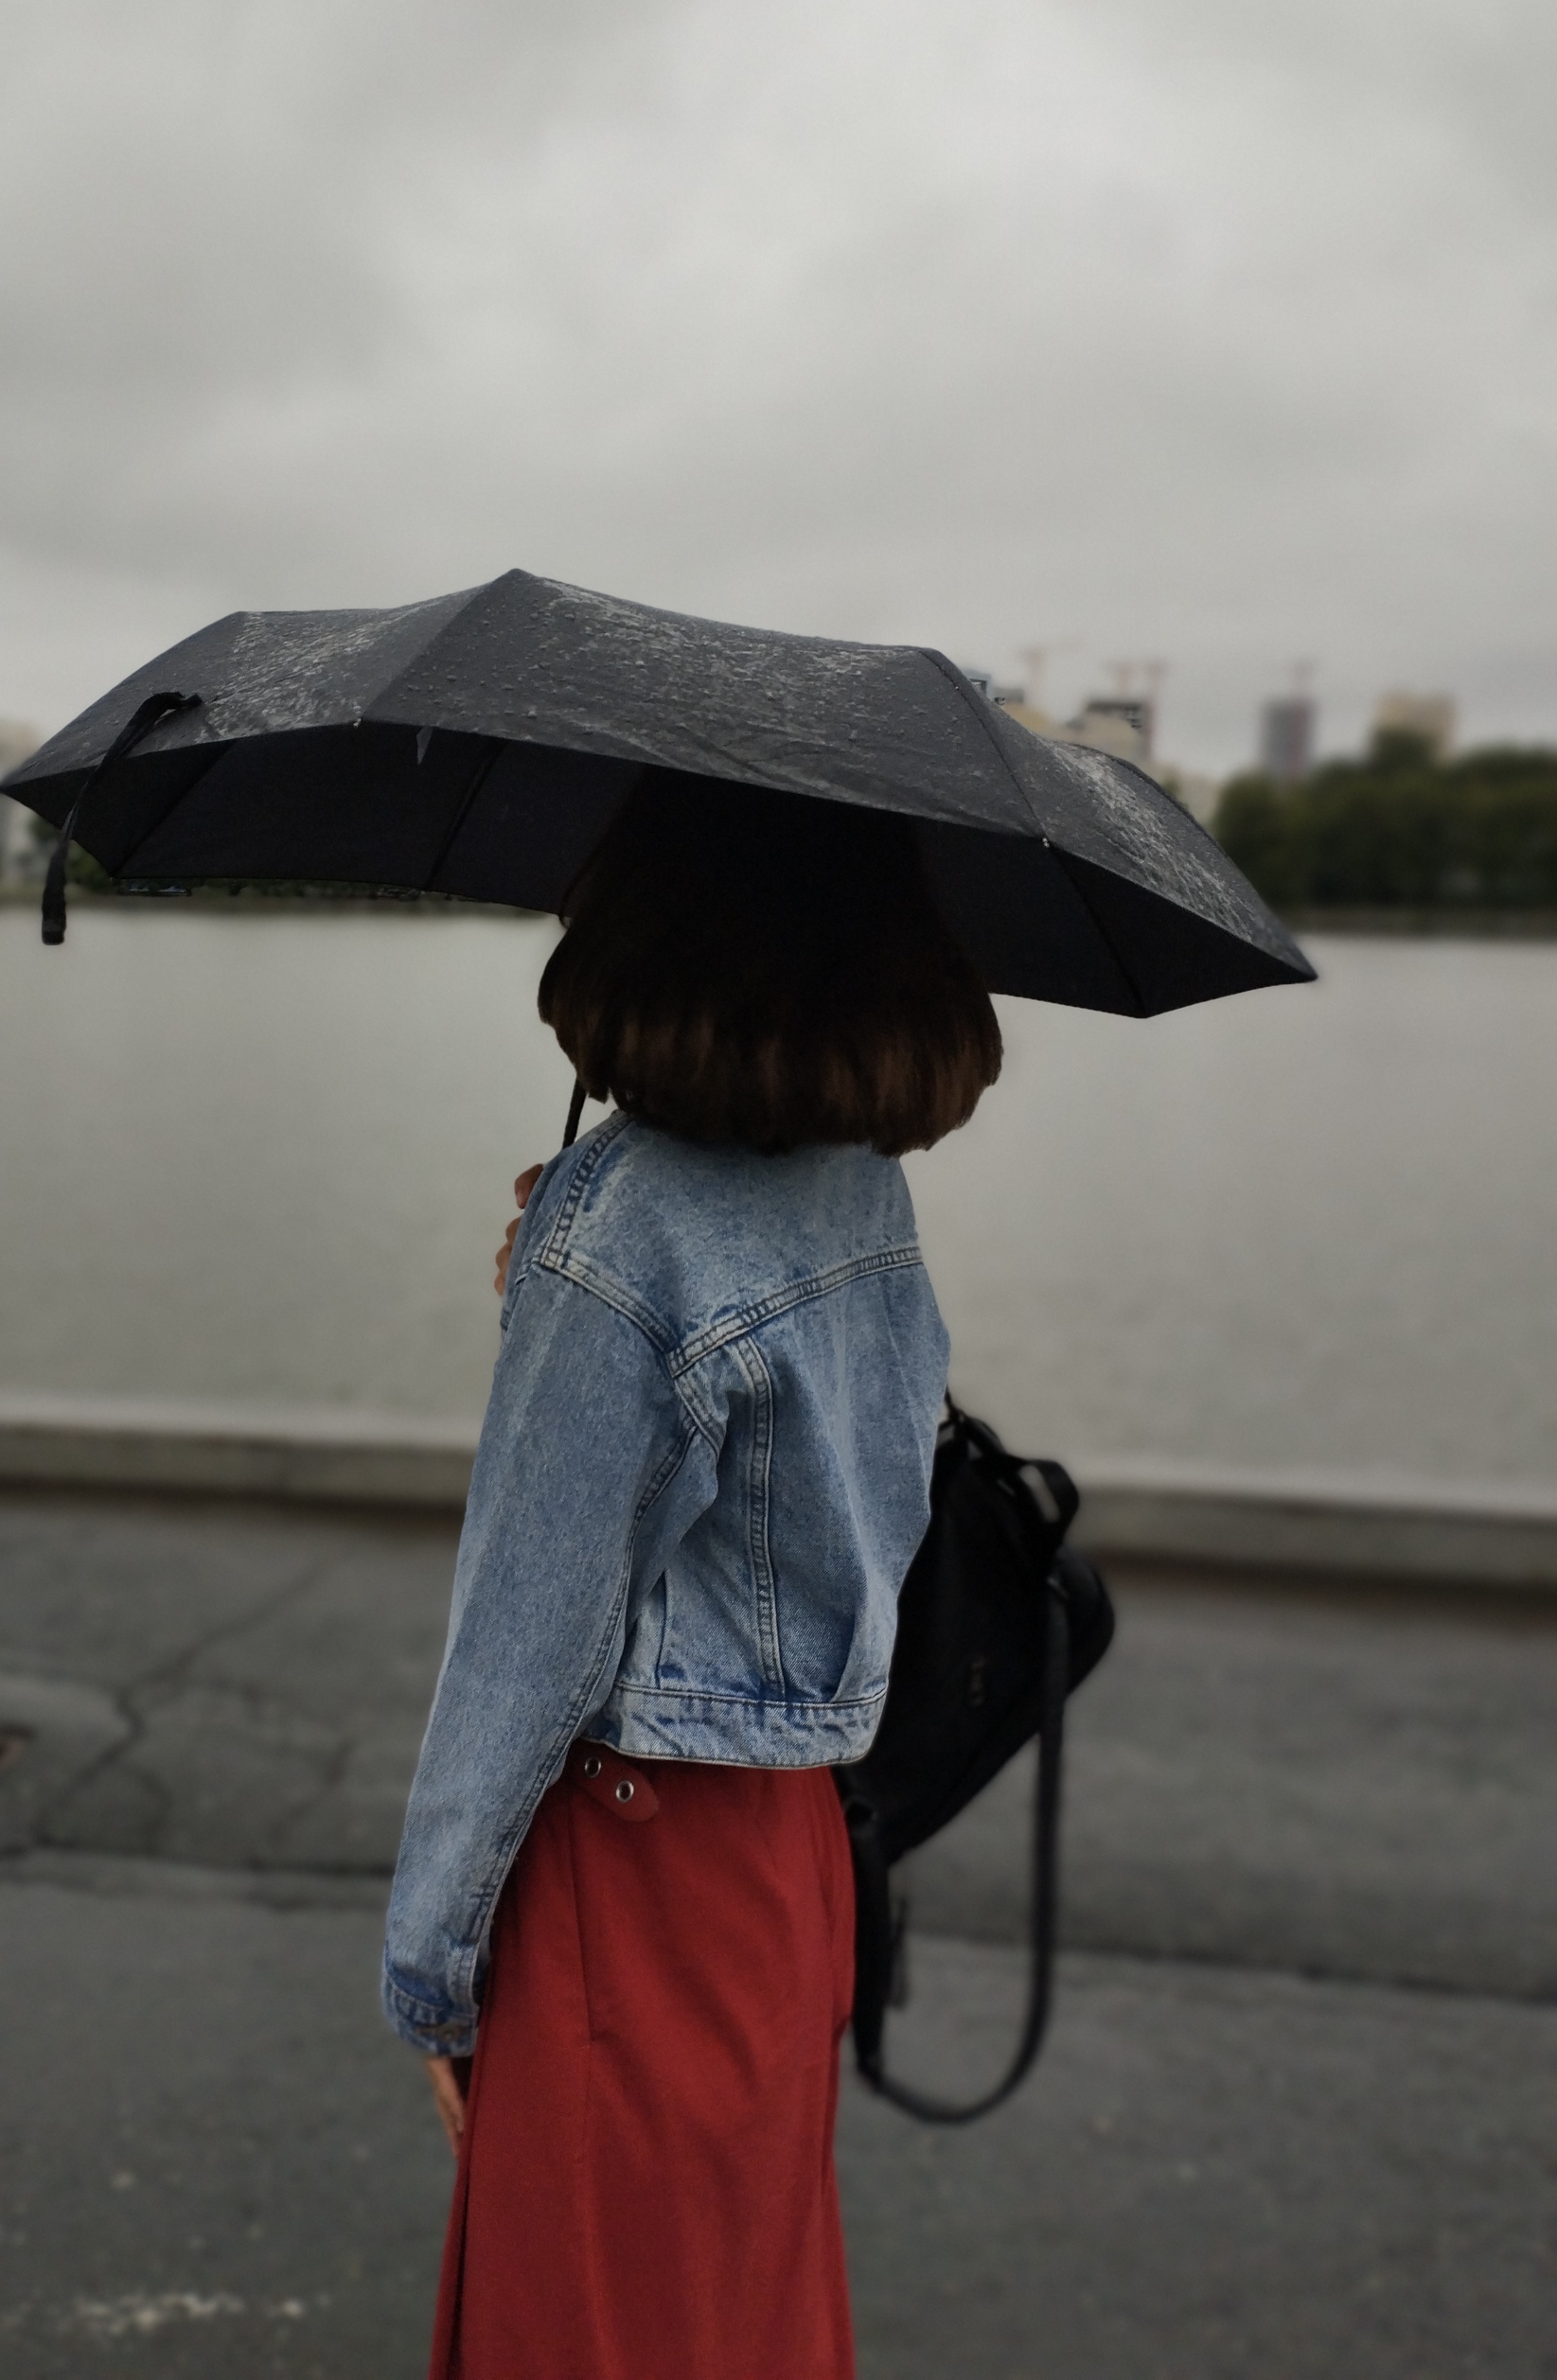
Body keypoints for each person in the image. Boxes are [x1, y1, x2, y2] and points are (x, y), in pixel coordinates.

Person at [381, 770, 1003, 2380]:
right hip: (784, 1865)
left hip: (626, 1870)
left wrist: (434, 1971)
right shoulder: (861, 1185)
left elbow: (522, 1653)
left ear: (646, 925)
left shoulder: (623, 1222)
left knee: (590, 2328)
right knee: (740, 2314)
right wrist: (569, 1280)